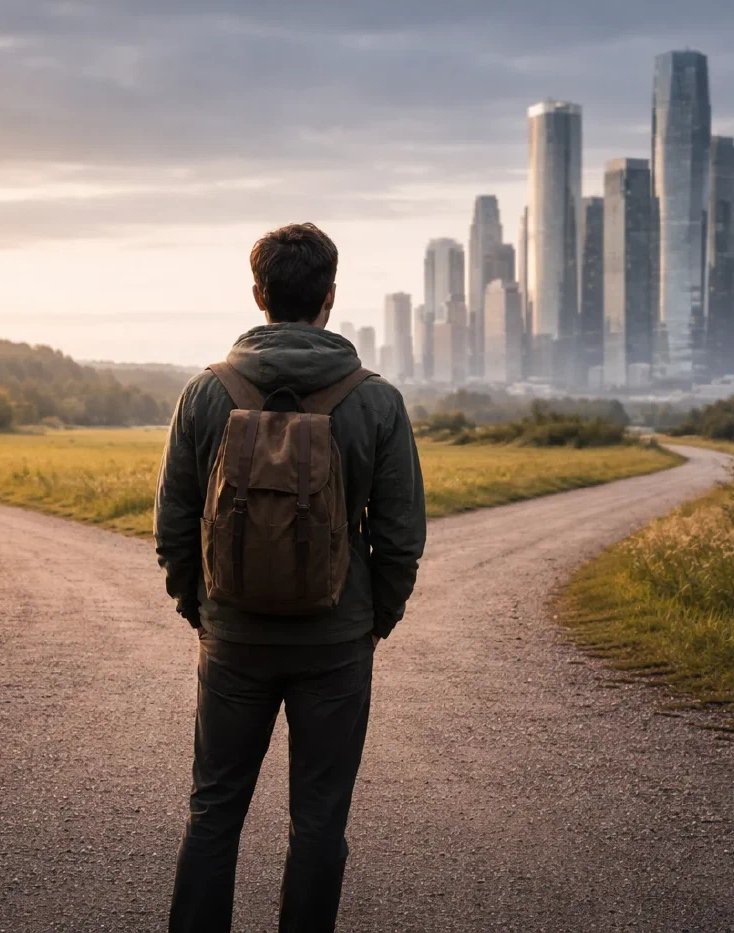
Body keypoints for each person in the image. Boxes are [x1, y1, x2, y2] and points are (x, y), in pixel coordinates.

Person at [155, 222, 426, 932]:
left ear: (258, 295)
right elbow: (400, 539)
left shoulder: (205, 394)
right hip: (336, 643)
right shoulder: (377, 401)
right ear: (330, 298)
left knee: (214, 810)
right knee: (318, 820)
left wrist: (206, 610)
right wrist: (370, 620)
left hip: (234, 640)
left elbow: (173, 529)